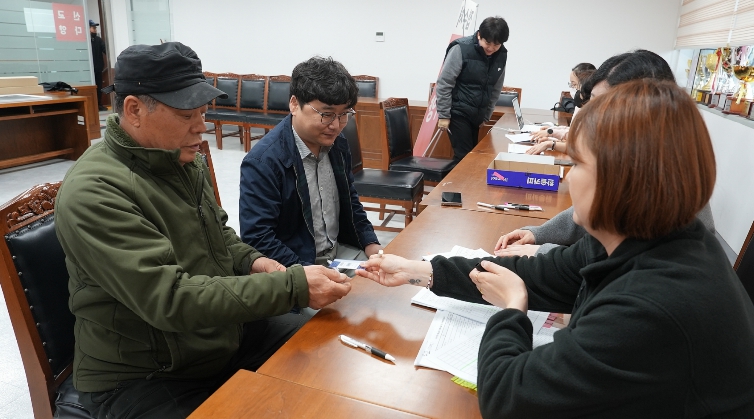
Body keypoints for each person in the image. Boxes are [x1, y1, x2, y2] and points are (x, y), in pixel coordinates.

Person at [358, 80, 754, 417]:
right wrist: (419, 270)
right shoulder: (643, 239)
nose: (567, 180)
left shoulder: (651, 306)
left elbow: (509, 398)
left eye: (577, 165)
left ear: (622, 179)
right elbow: (536, 274)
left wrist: (512, 308)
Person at [55, 42, 351, 419]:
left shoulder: (180, 158)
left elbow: (218, 235)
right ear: (134, 110)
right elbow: (171, 299)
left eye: (203, 111)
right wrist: (292, 286)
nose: (201, 127)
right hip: (148, 372)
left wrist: (254, 261)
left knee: (329, 350)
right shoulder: (95, 192)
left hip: (215, 336)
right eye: (186, 115)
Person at [500, 49, 715, 256]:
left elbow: (602, 262)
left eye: (602, 103)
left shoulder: (657, 182)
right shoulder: (635, 157)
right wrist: (539, 234)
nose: (590, 112)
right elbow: (590, 212)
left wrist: (542, 251)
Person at [239, 57, 382, 269]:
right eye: (326, 114)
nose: (336, 125)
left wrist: (373, 248)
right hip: (295, 266)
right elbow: (258, 238)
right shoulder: (263, 162)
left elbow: (350, 203)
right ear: (294, 104)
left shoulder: (338, 144)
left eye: (344, 114)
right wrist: (306, 273)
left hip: (339, 255)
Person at [436, 16, 509, 164]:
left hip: (476, 115)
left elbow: (496, 88)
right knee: (464, 158)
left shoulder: (501, 55)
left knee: (470, 157)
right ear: (479, 35)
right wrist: (444, 115)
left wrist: (486, 115)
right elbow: (444, 83)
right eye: (487, 43)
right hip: (458, 112)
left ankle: (455, 179)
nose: (491, 49)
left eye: (496, 45)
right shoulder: (461, 49)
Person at [527, 62, 595, 155]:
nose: (572, 88)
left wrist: (551, 139)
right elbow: (573, 130)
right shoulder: (579, 105)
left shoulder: (592, 112)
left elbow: (579, 144)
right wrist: (552, 131)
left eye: (574, 85)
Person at [89, 20, 107, 111]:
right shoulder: (85, 40)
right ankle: (91, 106)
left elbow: (105, 50)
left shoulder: (98, 40)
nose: (95, 29)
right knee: (90, 88)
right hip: (88, 70)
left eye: (95, 28)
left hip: (98, 68)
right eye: (93, 27)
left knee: (99, 87)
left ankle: (98, 105)